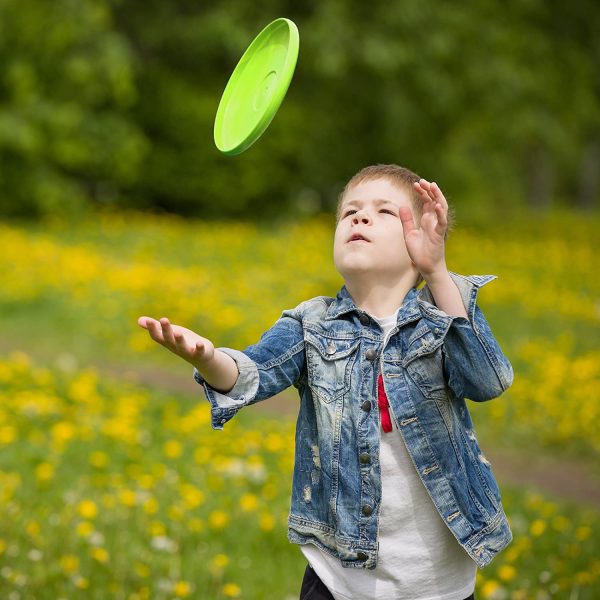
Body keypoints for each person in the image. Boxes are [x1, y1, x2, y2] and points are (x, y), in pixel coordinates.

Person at [138, 164, 514, 600]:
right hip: (339, 579)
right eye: (349, 212)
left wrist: (437, 271)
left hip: (437, 583)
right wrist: (209, 358)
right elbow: (252, 374)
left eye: (384, 212)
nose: (359, 218)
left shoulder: (440, 314)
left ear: (421, 243)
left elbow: (489, 380)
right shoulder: (311, 325)